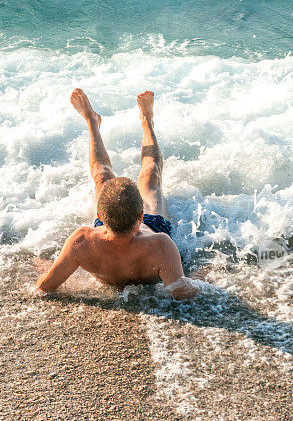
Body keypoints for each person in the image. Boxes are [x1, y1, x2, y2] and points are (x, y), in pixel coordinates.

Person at [36, 89, 199, 300]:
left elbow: (43, 287)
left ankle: (145, 120)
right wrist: (208, 276)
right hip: (151, 225)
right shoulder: (162, 246)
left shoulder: (83, 242)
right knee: (149, 174)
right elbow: (183, 293)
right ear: (141, 216)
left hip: (148, 230)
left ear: (100, 216)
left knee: (112, 176)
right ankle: (93, 121)